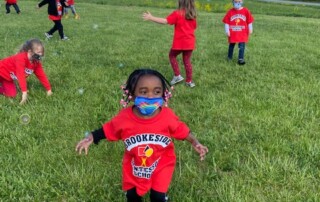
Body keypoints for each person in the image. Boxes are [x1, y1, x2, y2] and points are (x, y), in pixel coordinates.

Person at [75, 69, 208, 202]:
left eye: (156, 92)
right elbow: (110, 128)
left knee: (157, 197)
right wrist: (92, 136)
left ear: (164, 94)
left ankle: (162, 196)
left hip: (162, 164)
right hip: (134, 165)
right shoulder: (125, 118)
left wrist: (195, 143)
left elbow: (182, 130)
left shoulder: (167, 116)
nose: (150, 97)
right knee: (132, 196)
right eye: (144, 92)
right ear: (131, 95)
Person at [143, 0, 197, 88]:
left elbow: (165, 21)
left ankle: (177, 76)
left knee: (172, 56)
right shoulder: (192, 15)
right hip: (190, 43)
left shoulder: (177, 14)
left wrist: (151, 18)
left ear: (180, 2)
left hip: (180, 43)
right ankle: (189, 81)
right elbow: (194, 27)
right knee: (187, 60)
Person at [0, 39, 52, 104]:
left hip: (7, 78)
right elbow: (20, 75)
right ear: (30, 51)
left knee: (12, 94)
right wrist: (24, 93)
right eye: (38, 52)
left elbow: (42, 75)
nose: (40, 54)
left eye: (41, 52)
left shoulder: (36, 62)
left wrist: (48, 89)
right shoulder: (21, 58)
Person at [222, 0, 254, 65]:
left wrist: (250, 28)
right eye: (235, 2)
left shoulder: (246, 11)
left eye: (239, 1)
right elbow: (226, 22)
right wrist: (227, 30)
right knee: (231, 45)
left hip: (242, 32)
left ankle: (240, 59)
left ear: (242, 2)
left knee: (242, 46)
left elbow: (249, 21)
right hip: (233, 33)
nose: (237, 3)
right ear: (233, 2)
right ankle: (229, 57)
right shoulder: (230, 12)